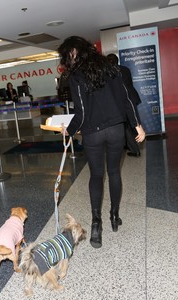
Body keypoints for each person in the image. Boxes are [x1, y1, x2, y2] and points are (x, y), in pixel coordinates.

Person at [58, 36, 145, 249]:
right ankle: (114, 217)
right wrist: (137, 125)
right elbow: (126, 99)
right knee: (114, 172)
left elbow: (82, 112)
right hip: (116, 129)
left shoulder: (76, 76)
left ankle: (97, 224)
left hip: (92, 134)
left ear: (72, 54)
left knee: (97, 175)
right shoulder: (111, 67)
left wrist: (67, 131)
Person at [107, 53, 141, 157]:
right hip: (132, 96)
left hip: (122, 101)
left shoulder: (109, 72)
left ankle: (135, 149)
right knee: (131, 123)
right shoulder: (125, 69)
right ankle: (130, 144)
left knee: (126, 126)